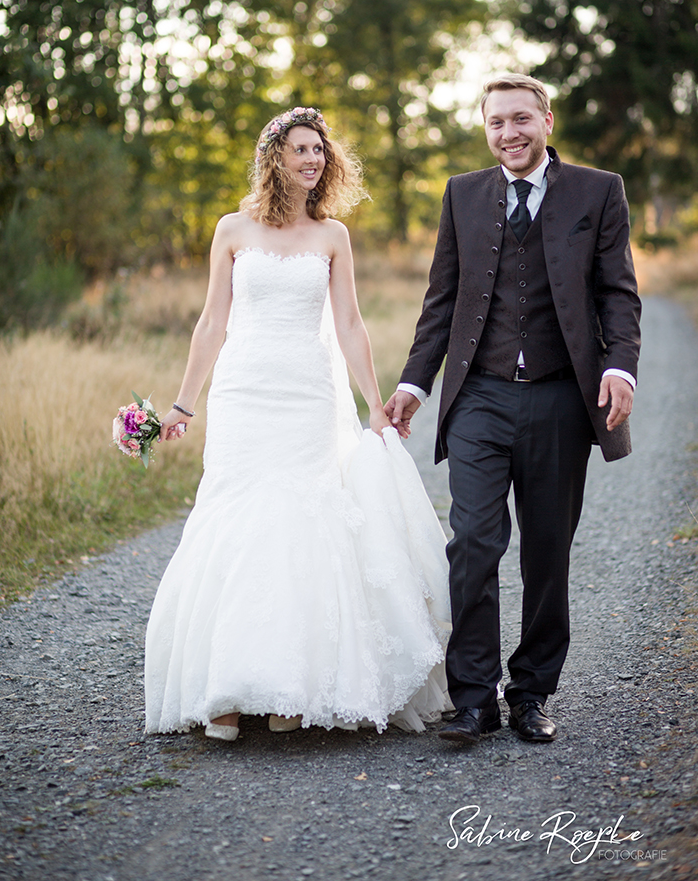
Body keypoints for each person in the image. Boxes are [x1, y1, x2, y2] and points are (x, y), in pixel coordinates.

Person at [144, 106, 450, 742]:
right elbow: (211, 324)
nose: (314, 159)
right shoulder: (231, 229)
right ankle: (223, 691)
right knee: (235, 517)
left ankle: (290, 682)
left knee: (298, 524)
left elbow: (350, 325)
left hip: (309, 393)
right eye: (301, 149)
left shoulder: (333, 235)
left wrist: (374, 405)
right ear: (274, 158)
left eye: (320, 150)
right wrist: (183, 403)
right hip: (244, 391)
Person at [385, 73, 641, 747]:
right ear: (486, 127)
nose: (509, 133)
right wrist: (413, 386)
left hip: (561, 397)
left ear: (546, 120)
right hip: (480, 398)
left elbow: (619, 293)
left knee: (547, 553)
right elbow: (441, 302)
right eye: (496, 122)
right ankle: (473, 699)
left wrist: (620, 369)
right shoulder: (462, 194)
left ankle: (531, 693)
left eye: (521, 119)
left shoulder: (598, 191)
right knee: (472, 544)